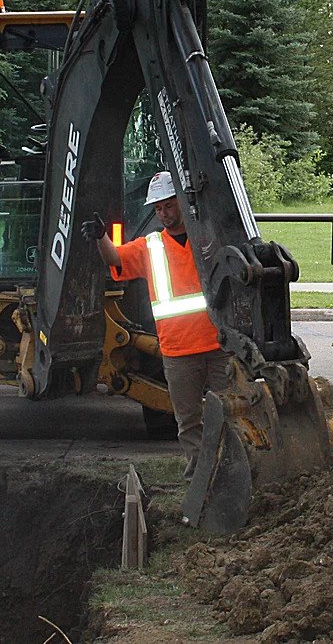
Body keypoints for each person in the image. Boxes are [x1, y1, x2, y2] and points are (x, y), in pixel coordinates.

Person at [83, 171, 229, 478]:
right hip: (177, 350)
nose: (163, 213)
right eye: (158, 208)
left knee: (231, 412)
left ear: (182, 202)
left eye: (168, 206)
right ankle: (200, 476)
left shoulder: (210, 238)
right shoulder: (150, 247)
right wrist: (101, 237)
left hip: (218, 344)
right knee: (189, 421)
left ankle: (232, 469)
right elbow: (114, 258)